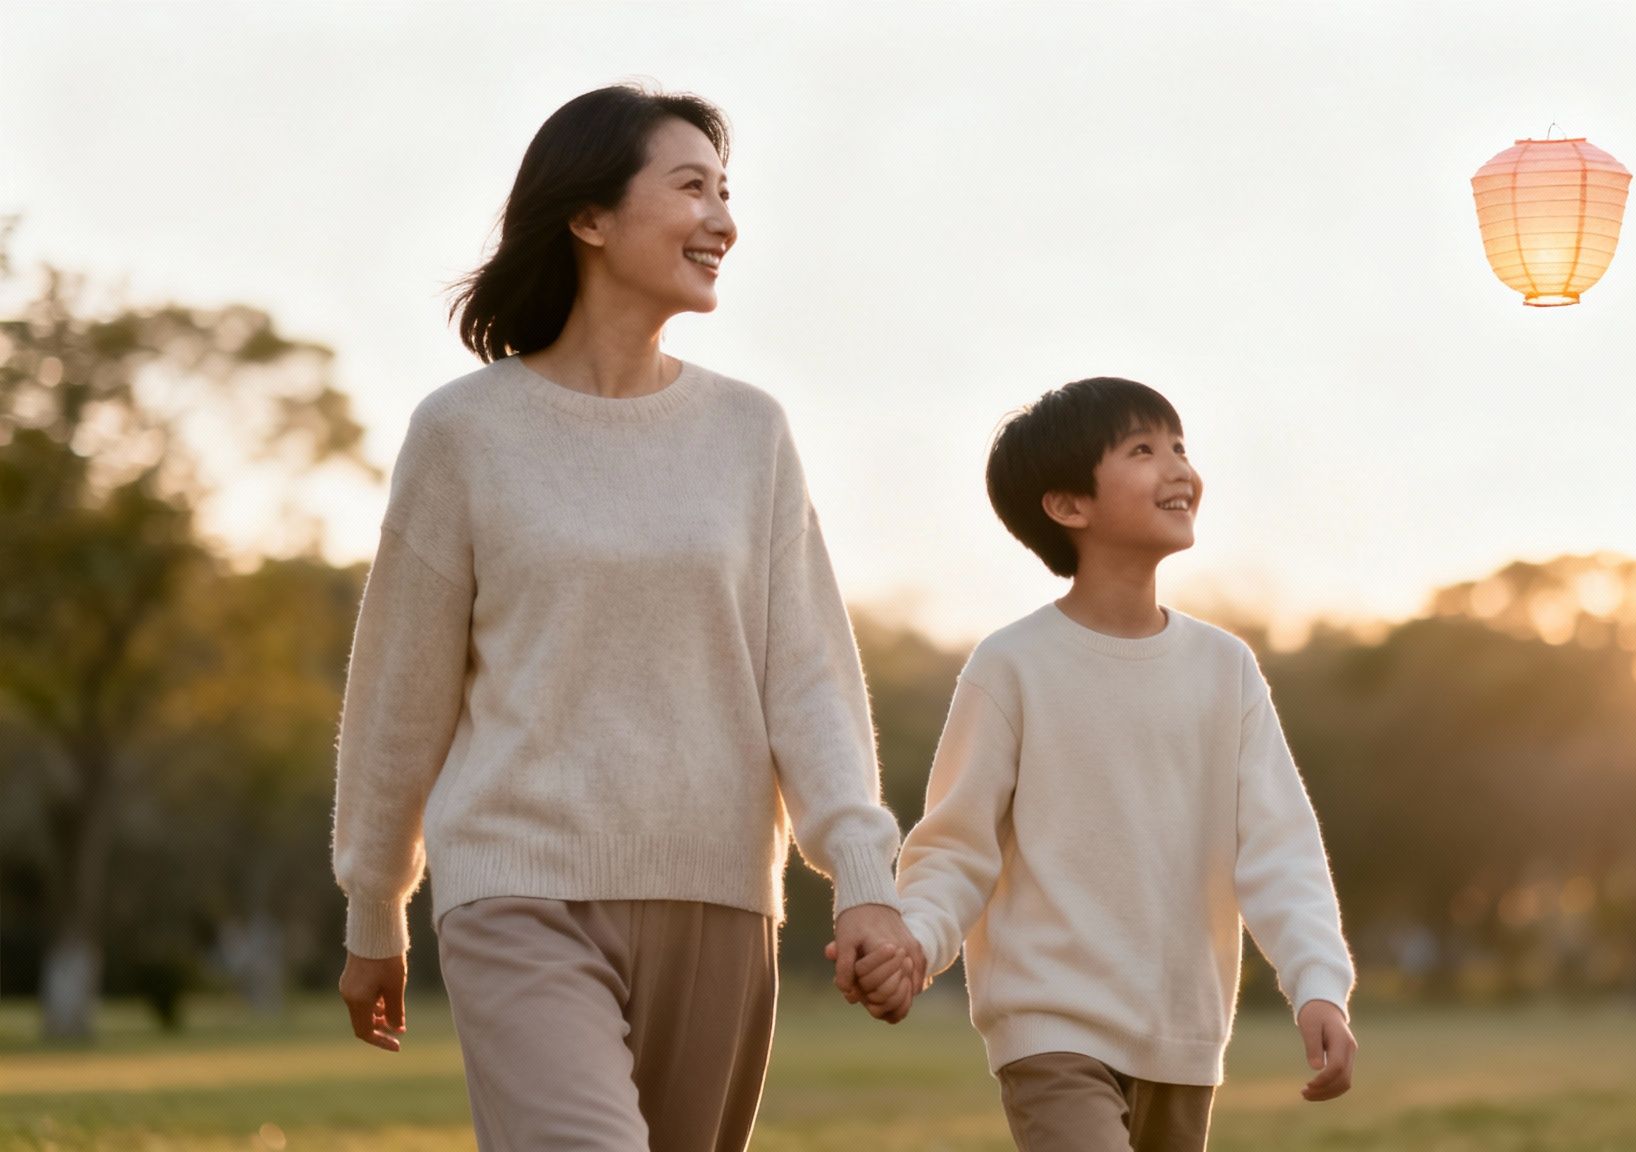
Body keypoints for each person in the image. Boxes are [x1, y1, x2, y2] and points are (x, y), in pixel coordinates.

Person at [330, 83, 918, 1152]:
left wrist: (867, 879)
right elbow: (397, 696)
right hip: (517, 889)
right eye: (690, 187)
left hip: (720, 897)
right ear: (588, 216)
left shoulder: (749, 433)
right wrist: (376, 905)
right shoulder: (465, 434)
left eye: (727, 192)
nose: (723, 221)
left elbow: (808, 682)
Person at [843, 377, 1358, 1151]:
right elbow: (955, 846)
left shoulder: (1226, 669)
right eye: (1143, 450)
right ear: (1068, 506)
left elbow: (1280, 847)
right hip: (1050, 1026)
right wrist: (916, 942)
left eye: (1180, 446)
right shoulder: (1011, 666)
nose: (1178, 467)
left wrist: (1318, 984)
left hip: (1182, 1034)